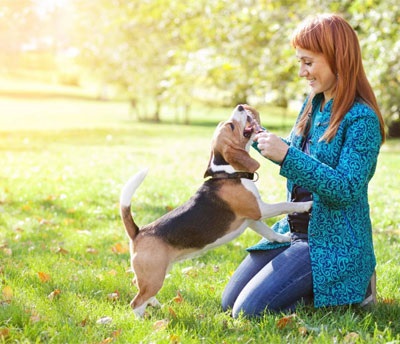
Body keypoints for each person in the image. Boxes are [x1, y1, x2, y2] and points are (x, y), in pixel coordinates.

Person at [221, 13, 385, 318]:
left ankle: (351, 288)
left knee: (248, 311)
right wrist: (258, 136)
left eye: (308, 62)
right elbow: (297, 155)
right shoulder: (314, 103)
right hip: (292, 231)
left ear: (338, 58)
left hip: (331, 244)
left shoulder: (362, 120)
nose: (301, 72)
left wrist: (287, 156)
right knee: (228, 303)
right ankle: (318, 290)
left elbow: (346, 189)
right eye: (300, 62)